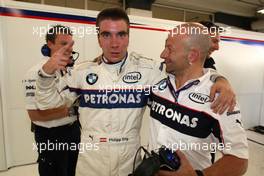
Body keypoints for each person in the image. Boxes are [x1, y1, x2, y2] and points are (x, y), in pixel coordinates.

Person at [35, 8, 236, 176]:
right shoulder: (81, 72)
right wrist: (46, 73)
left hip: (129, 159)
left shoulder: (149, 71)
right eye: (107, 35)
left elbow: (187, 71)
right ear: (98, 38)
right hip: (91, 161)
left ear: (129, 36)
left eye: (121, 34)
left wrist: (219, 79)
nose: (114, 43)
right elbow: (47, 105)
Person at [148, 23, 248, 176]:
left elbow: (239, 160)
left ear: (192, 55)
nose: (163, 54)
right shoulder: (156, 77)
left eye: (169, 48)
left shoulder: (219, 98)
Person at [22, 24, 80, 176]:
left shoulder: (67, 70)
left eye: (70, 43)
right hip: (51, 136)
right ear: (50, 44)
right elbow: (34, 116)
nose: (68, 48)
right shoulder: (35, 72)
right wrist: (71, 110)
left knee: (71, 171)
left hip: (73, 132)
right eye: (63, 43)